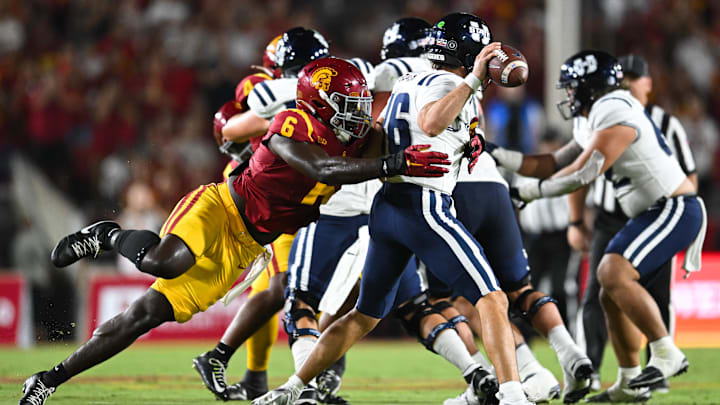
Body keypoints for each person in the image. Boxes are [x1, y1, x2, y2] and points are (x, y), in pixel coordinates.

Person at [18, 57, 450, 405]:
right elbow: (320, 167)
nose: (356, 113)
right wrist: (391, 164)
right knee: (162, 262)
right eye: (346, 103)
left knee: (143, 316)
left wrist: (459, 144)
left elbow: (398, 147)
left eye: (358, 103)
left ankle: (47, 379)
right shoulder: (291, 122)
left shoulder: (358, 138)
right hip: (221, 209)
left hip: (247, 247)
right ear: (318, 103)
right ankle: (108, 235)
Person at [253, 12, 533, 405]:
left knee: (364, 316)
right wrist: (471, 82)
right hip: (423, 206)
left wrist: (467, 139)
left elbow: (384, 134)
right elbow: (432, 121)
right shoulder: (449, 81)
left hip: (387, 208)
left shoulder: (410, 79)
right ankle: (513, 394)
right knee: (492, 298)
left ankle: (292, 387)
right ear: (470, 53)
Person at [488, 50, 706, 403]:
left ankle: (666, 351)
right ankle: (630, 381)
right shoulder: (594, 116)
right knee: (608, 291)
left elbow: (583, 173)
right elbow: (554, 161)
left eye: (573, 88)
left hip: (675, 207)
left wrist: (525, 192)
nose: (569, 96)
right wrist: (497, 154)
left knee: (613, 271)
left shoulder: (615, 106)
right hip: (649, 212)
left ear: (590, 87)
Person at [192, 27, 332, 401]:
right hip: (268, 197)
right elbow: (232, 124)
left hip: (295, 199)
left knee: (280, 291)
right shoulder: (267, 88)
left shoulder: (303, 90)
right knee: (284, 288)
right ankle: (224, 358)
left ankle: (256, 377)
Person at [566, 54, 698, 402]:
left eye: (635, 77)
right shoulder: (594, 117)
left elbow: (687, 174)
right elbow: (580, 175)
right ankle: (613, 375)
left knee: (647, 290)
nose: (628, 83)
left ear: (648, 83)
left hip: (659, 211)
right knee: (602, 293)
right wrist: (577, 220)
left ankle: (663, 359)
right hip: (611, 216)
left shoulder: (663, 121)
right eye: (624, 78)